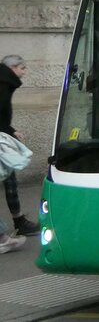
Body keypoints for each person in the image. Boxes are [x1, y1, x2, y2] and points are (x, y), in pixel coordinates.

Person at [0, 55, 37, 240]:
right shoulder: (4, 84)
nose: (24, 72)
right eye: (23, 68)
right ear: (13, 67)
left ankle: (19, 221)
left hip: (2, 135)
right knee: (9, 178)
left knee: (10, 178)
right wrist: (8, 131)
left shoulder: (5, 82)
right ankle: (16, 224)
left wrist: (11, 130)